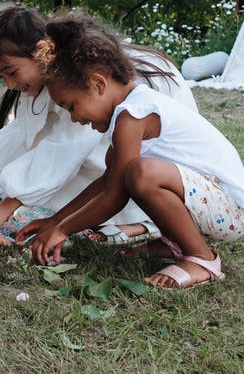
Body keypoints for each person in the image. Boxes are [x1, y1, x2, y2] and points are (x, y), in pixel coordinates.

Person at [17, 14, 244, 290]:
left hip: (231, 210)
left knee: (141, 174)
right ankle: (171, 243)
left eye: (71, 106)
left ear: (98, 84)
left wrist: (63, 230)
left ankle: (201, 259)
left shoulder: (133, 115)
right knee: (131, 173)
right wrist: (55, 220)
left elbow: (114, 197)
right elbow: (106, 183)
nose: (75, 119)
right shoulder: (127, 114)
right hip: (211, 203)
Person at [0, 6, 197, 243]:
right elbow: (26, 134)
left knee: (48, 197)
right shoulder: (56, 75)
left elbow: (67, 146)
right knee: (41, 193)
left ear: (39, 52)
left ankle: (140, 222)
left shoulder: (79, 76)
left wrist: (9, 205)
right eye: (1, 77)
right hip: (132, 156)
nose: (10, 84)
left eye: (12, 72)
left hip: (170, 172)